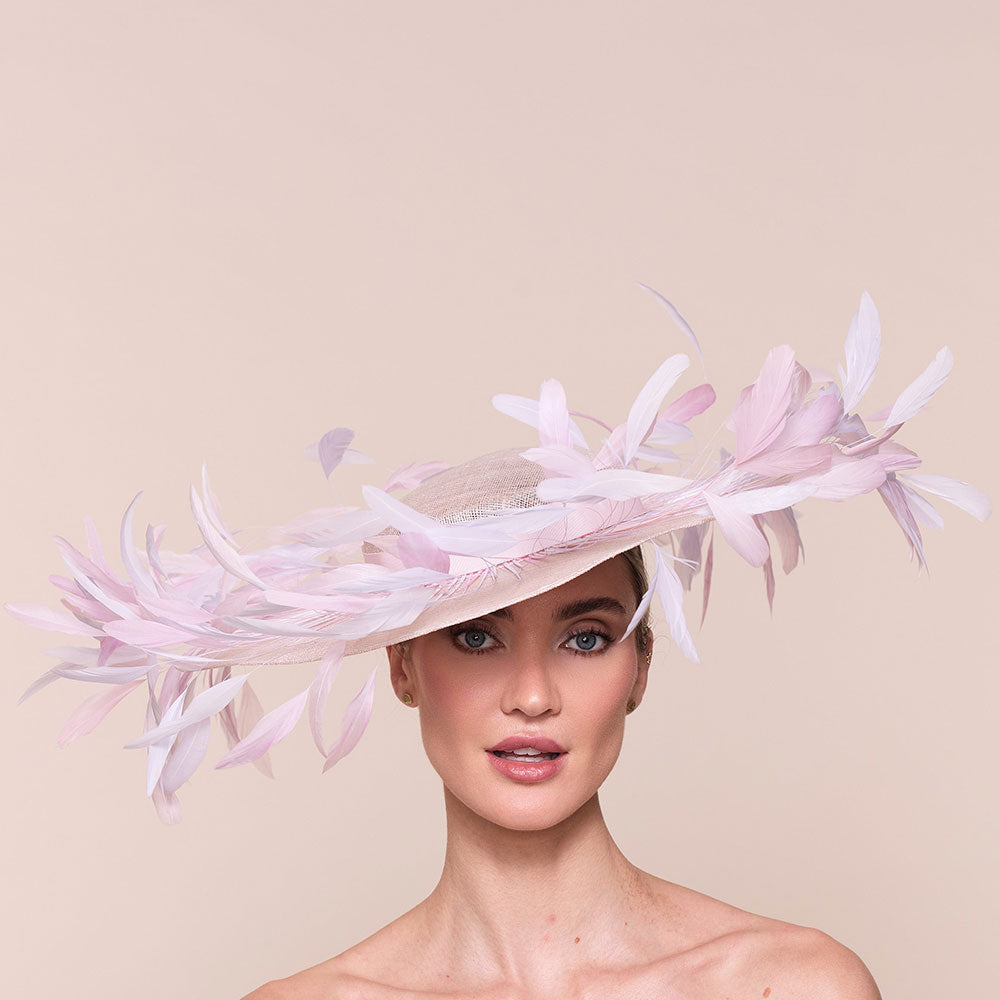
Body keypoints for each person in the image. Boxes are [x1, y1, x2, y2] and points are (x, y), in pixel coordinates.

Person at [8, 291, 988, 997]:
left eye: (587, 635)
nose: (531, 694)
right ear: (402, 663)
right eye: (475, 636)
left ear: (639, 666)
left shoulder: (786, 988)